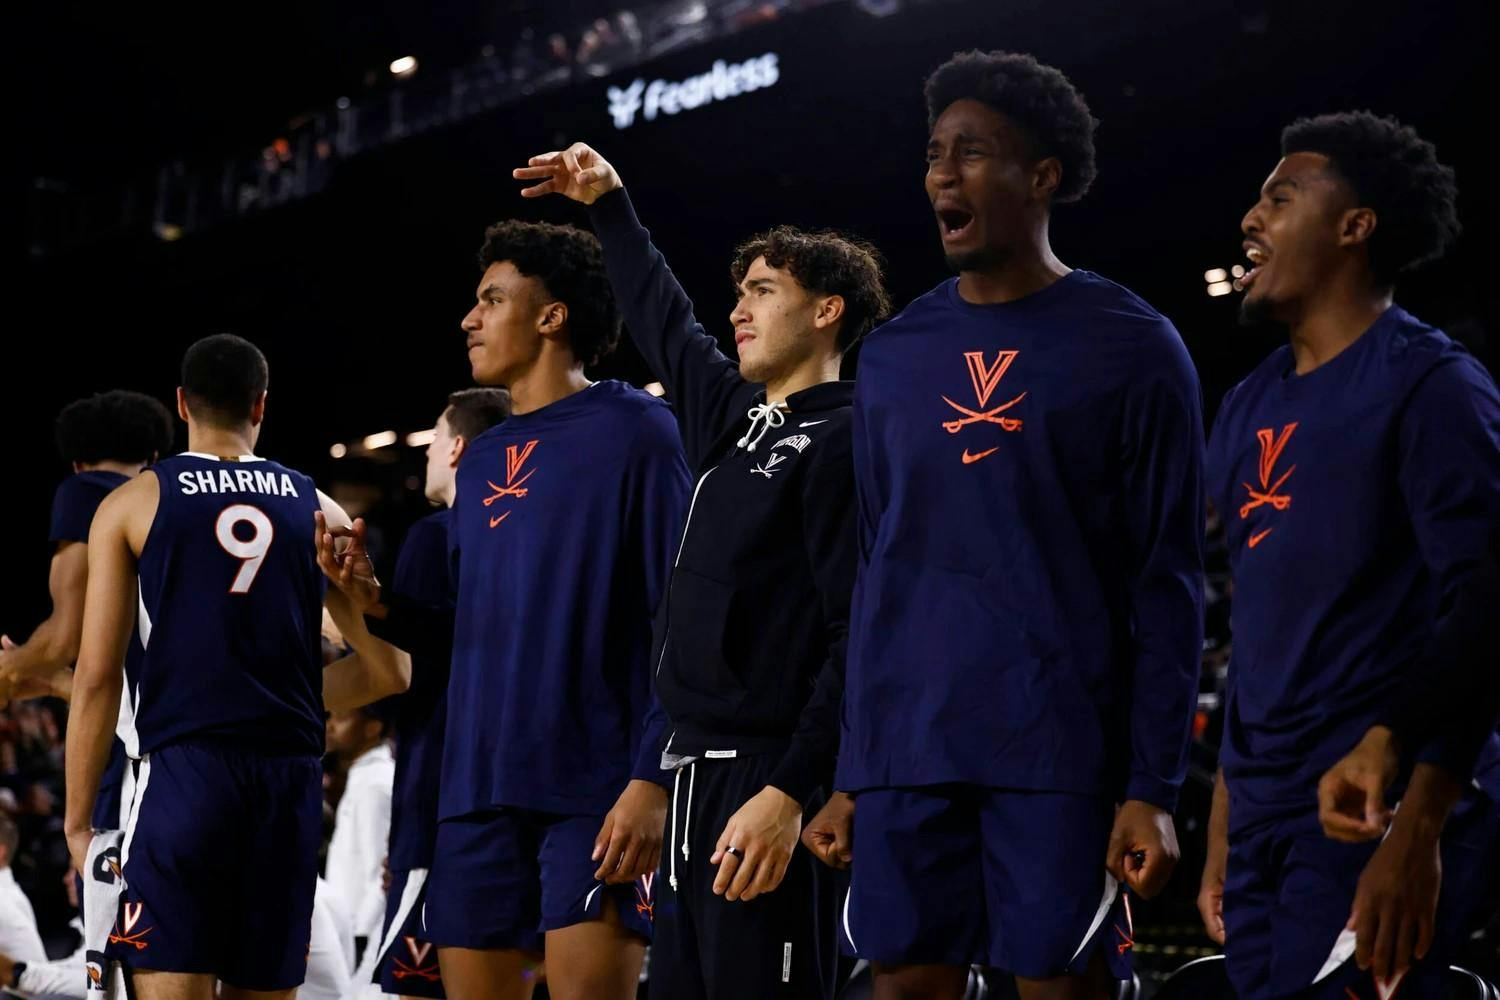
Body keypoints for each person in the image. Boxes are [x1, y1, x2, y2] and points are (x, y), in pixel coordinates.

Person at [808, 50, 1205, 1000]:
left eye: (975, 152)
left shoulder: (1135, 345)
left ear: (1043, 176)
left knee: (1059, 987)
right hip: (906, 754)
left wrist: (1151, 787)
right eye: (936, 152)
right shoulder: (894, 356)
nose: (943, 172)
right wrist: (853, 770)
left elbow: (1168, 578)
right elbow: (876, 568)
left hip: (1057, 752)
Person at [514, 140, 889, 998]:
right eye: (740, 292)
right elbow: (665, 319)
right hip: (690, 780)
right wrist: (609, 203)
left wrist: (797, 789)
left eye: (764, 290)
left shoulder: (849, 438)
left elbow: (854, 635)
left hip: (768, 776)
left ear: (829, 309)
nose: (740, 310)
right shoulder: (734, 421)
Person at [321, 222, 690, 1000]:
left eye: (491, 299)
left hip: (595, 790)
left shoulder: (636, 431)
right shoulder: (482, 458)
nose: (469, 318)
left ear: (552, 316)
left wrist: (653, 779)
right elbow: (457, 631)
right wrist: (375, 600)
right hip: (476, 794)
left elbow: (678, 615)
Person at [1197, 110, 1500, 997]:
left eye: (1280, 199)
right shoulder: (1244, 405)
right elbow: (1257, 626)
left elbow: (1484, 609)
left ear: (1354, 225)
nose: (1251, 219)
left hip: (1378, 809)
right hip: (1263, 816)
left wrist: (1420, 832)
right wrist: (1223, 822)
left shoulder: (1431, 385)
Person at [63, 333, 410, 1000]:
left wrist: (80, 824)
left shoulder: (136, 501)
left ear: (181, 403)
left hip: (185, 773)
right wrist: (283, 698)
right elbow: (391, 673)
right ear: (261, 404)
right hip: (287, 782)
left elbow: (98, 676)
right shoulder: (319, 506)